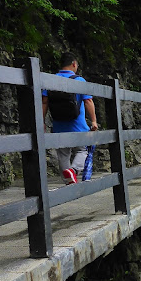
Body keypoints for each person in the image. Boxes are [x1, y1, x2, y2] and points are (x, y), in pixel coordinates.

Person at [42, 52, 98, 184]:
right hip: (78, 126)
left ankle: (69, 181)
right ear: (74, 64)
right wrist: (94, 121)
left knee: (63, 154)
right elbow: (88, 101)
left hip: (59, 125)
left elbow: (44, 102)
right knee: (83, 149)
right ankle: (73, 171)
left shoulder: (50, 80)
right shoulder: (79, 80)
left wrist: (42, 121)